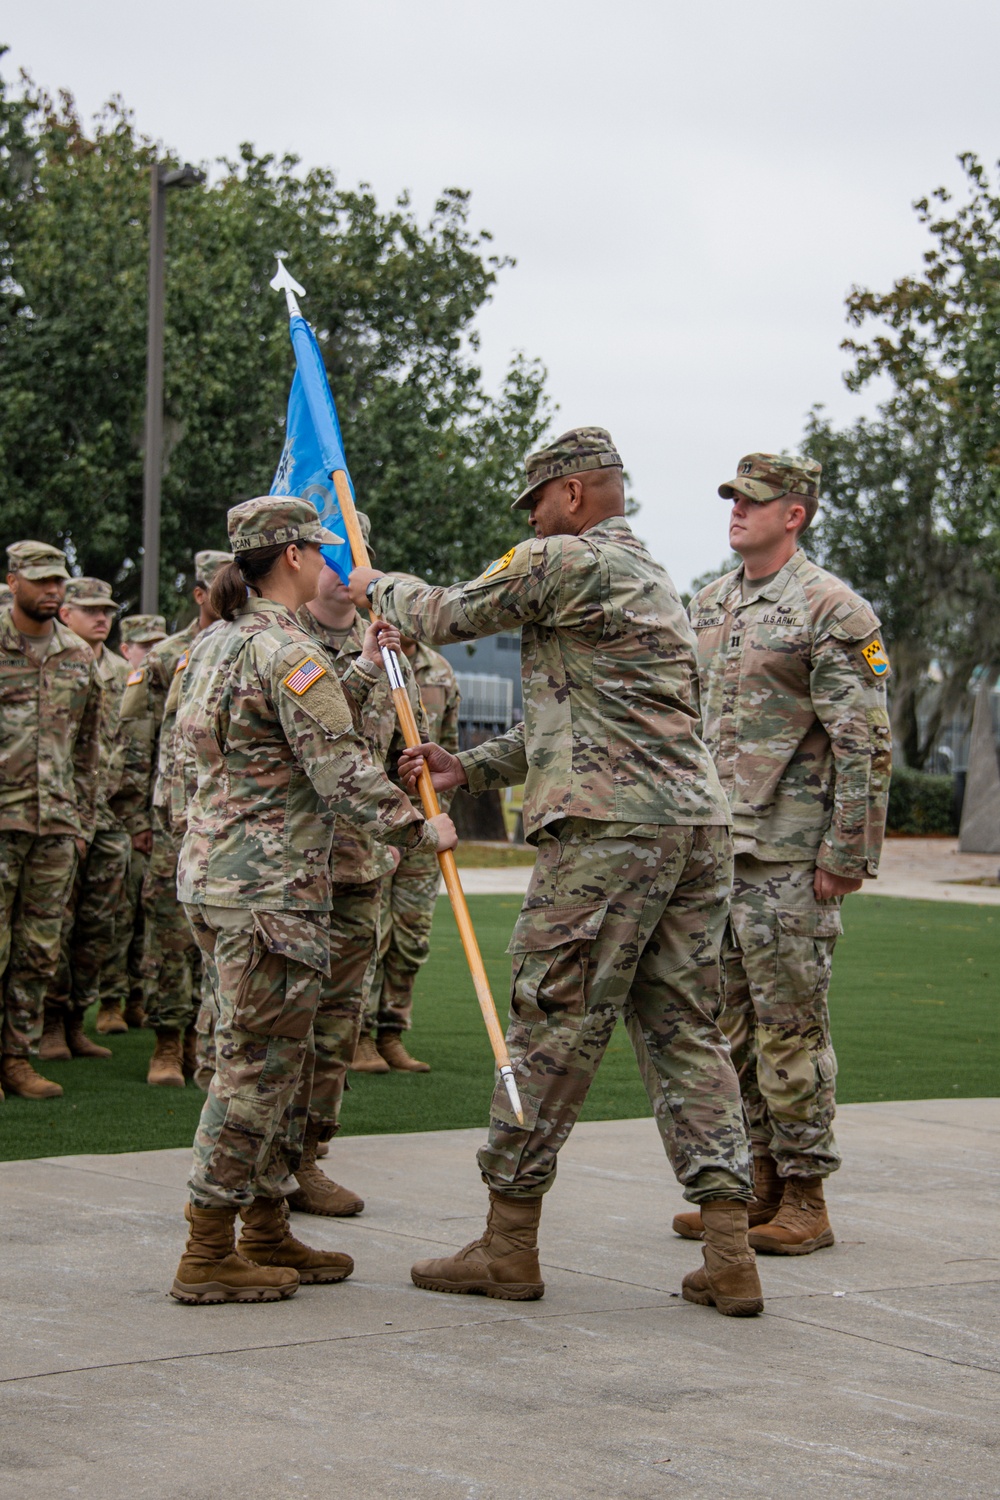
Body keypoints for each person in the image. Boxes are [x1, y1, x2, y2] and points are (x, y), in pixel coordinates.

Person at [348, 427, 763, 1318]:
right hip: (692, 830)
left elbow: (444, 616)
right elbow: (588, 720)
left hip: (610, 837)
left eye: (534, 504)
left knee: (549, 1025)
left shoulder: (564, 558)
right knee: (687, 1029)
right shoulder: (650, 577)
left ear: (571, 495)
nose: (530, 522)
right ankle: (730, 1250)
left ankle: (508, 1243)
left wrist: (369, 584)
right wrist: (474, 767)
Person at [169, 495, 456, 1305]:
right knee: (254, 1073)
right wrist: (417, 825)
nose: (330, 562)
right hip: (271, 891)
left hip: (222, 879)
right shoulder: (283, 651)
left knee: (269, 1062)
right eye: (319, 550)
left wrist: (362, 668)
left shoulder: (217, 643)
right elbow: (336, 767)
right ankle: (207, 1250)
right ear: (291, 556)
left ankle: (263, 1228)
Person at [679, 453, 892, 1256]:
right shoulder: (708, 604)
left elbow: (864, 744)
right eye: (732, 497)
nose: (737, 510)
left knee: (791, 1030)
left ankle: (806, 1195)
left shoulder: (832, 610)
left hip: (791, 861)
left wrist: (848, 854)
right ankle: (757, 1180)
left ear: (794, 514)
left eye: (754, 501)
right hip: (717, 857)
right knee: (729, 1029)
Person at [288, 520, 426, 1214]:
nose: (343, 568)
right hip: (292, 864)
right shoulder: (281, 640)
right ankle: (258, 1165)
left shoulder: (395, 645)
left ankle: (309, 1156)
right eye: (330, 552)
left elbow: (408, 740)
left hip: (362, 862)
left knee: (337, 1023)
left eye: (355, 554)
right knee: (279, 1022)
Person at [117, 550, 231, 1086]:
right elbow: (136, 742)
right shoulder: (167, 657)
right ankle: (167, 1043)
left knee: (224, 937)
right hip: (172, 820)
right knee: (168, 935)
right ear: (199, 593)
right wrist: (137, 819)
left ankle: (207, 1044)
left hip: (230, 819)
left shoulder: (250, 645)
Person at [0, 542, 101, 1100]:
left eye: (57, 581)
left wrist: (81, 821)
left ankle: (17, 1057)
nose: (52, 591)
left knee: (39, 949)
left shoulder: (76, 656)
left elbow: (89, 747)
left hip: (56, 823)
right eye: (39, 581)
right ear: (12, 582)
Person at [40, 578, 131, 1063]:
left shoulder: (120, 671)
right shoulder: (56, 664)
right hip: (57, 813)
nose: (102, 618)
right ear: (66, 614)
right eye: (91, 610)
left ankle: (77, 1019)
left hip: (108, 816)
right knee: (55, 920)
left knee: (99, 925)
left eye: (108, 611)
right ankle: (48, 1022)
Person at [363, 634, 460, 1072]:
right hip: (382, 824)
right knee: (371, 933)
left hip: (430, 820)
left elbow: (451, 745)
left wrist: (442, 816)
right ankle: (358, 1034)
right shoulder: (367, 659)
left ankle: (391, 1032)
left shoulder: (439, 669)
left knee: (411, 934)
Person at [95, 613, 168, 1034]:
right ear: (128, 649)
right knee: (119, 913)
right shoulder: (127, 684)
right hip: (122, 814)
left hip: (158, 814)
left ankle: (138, 996)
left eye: (157, 642)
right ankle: (109, 998)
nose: (152, 652)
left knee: (149, 915)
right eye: (145, 645)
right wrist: (133, 817)